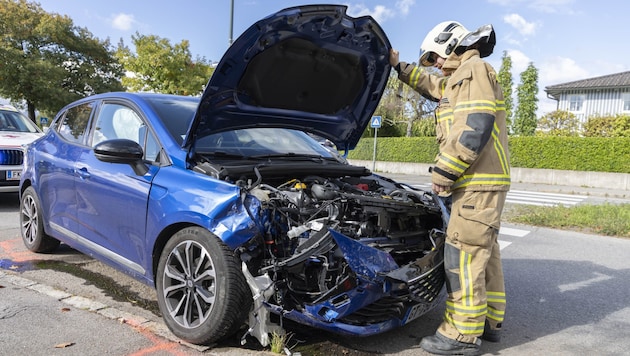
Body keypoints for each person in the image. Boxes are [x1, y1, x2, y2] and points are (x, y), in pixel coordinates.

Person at [389, 21, 510, 356]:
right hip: (483, 182)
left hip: (476, 182)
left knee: (463, 256)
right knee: (485, 255)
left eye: (434, 56)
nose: (435, 63)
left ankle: (460, 335)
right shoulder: (459, 79)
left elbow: (475, 126)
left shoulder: (473, 71)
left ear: (449, 43)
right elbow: (433, 86)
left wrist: (445, 171)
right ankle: (490, 321)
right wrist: (399, 67)